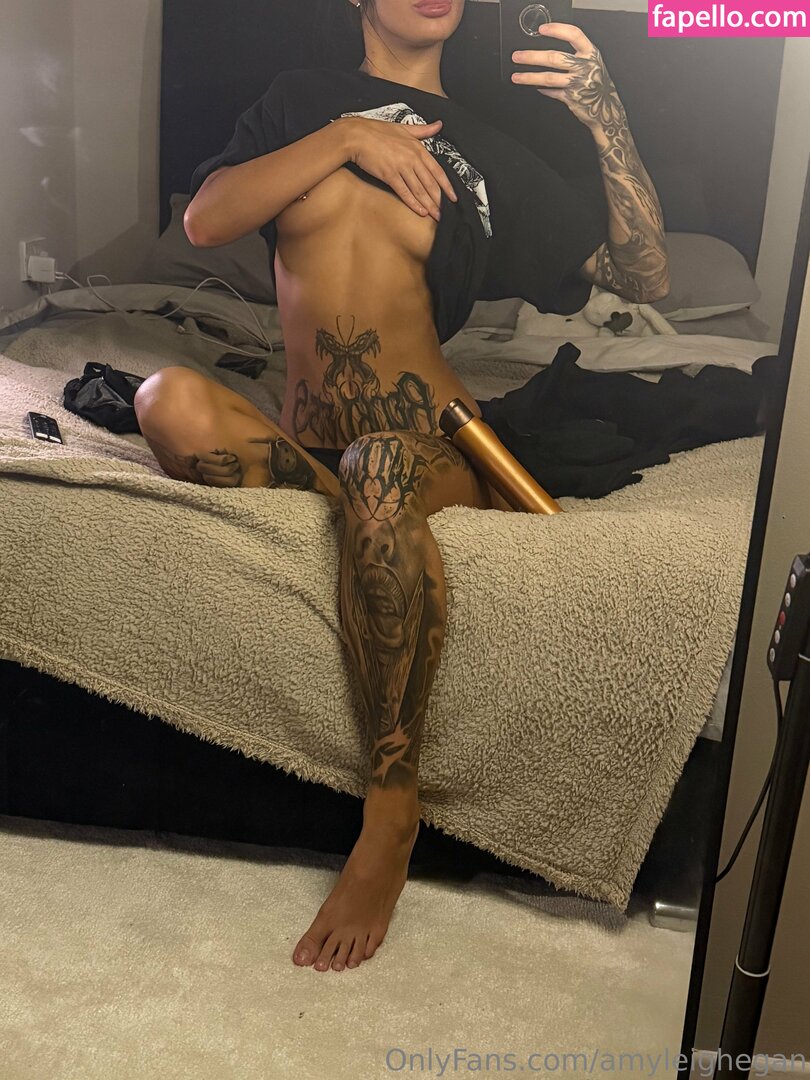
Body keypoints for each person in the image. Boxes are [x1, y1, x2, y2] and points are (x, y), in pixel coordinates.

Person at [133, 0, 669, 973]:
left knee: (376, 464)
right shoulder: (299, 102)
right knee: (164, 397)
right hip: (313, 451)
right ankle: (366, 527)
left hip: (429, 443)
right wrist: (348, 136)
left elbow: (645, 275)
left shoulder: (487, 151)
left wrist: (607, 115)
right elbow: (207, 220)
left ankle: (391, 809)